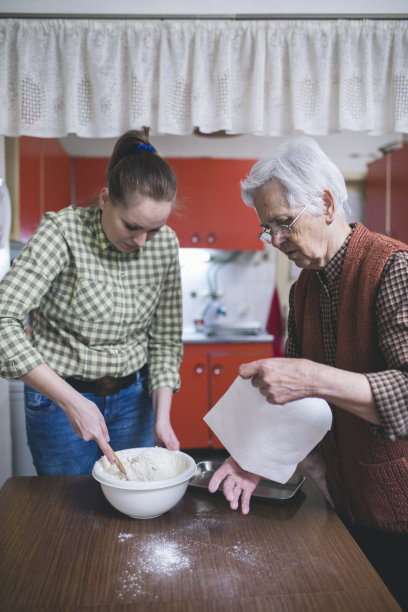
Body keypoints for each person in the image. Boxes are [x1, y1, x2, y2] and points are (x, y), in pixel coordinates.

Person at [208, 136, 408, 610]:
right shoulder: (304, 291)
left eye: (282, 223)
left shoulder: (395, 268)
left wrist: (313, 377)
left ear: (325, 202)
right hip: (347, 500)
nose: (275, 240)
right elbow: (296, 403)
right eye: (266, 229)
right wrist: (253, 460)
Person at [0, 130, 183, 475]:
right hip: (58, 401)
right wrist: (70, 401)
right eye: (132, 226)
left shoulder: (165, 246)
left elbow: (166, 339)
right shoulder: (63, 232)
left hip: (134, 402)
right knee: (70, 514)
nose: (144, 242)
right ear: (104, 200)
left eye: (155, 229)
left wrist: (161, 417)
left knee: (132, 506)